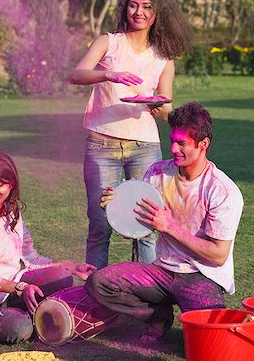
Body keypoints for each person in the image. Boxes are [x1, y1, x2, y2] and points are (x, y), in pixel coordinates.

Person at [85, 102, 244, 342]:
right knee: (100, 283)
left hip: (201, 275)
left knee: (212, 340)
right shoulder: (157, 173)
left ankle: (196, 322)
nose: (173, 148)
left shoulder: (222, 191)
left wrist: (170, 226)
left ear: (204, 145)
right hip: (162, 271)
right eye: (172, 140)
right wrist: (116, 204)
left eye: (182, 143)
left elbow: (218, 255)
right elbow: (139, 223)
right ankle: (157, 316)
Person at [69, 0, 192, 269]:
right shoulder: (108, 42)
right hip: (102, 144)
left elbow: (166, 111)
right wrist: (109, 75)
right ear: (125, 7)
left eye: (147, 7)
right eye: (134, 5)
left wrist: (155, 103)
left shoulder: (163, 57)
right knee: (100, 226)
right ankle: (95, 295)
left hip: (144, 146)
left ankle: (145, 296)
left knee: (146, 227)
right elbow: (77, 74)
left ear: (156, 13)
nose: (139, 12)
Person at [0, 150, 96, 344]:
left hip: (13, 290)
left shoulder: (11, 212)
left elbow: (31, 258)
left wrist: (72, 267)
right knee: (20, 329)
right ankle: (32, 318)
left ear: (11, 184)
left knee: (62, 275)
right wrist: (19, 288)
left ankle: (32, 313)